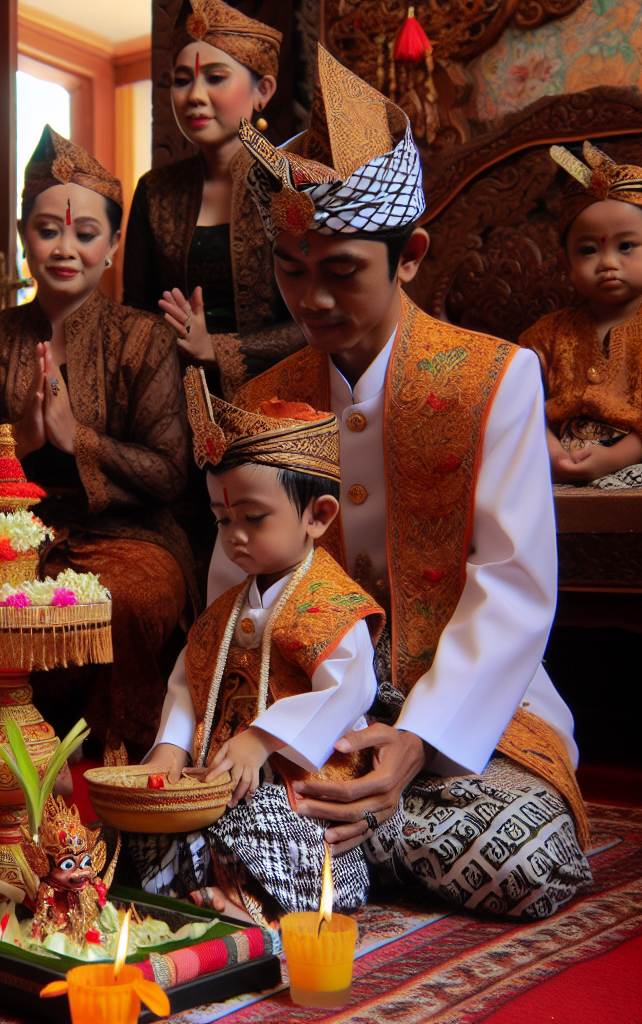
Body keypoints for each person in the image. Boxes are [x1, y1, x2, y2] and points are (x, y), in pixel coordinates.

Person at [161, 44, 591, 921]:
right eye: (291, 270)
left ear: (410, 254)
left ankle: (307, 847)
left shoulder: (494, 378)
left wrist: (416, 743)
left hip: (463, 705)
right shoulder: (265, 401)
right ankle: (320, 839)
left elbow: (511, 584)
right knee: (193, 806)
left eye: (340, 270)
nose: (311, 301)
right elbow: (238, 585)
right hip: (302, 697)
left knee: (531, 855)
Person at [0, 126, 196, 760]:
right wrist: (20, 440)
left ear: (112, 246)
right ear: (25, 236)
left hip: (126, 535)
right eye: (48, 230)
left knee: (130, 601)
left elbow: (170, 474)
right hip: (1, 537)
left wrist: (76, 438)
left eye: (86, 234)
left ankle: (113, 766)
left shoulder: (146, 340)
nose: (66, 248)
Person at [131, 368, 383, 925]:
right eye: (223, 520)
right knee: (148, 822)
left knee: (265, 823)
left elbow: (350, 688)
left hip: (302, 789)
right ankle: (199, 889)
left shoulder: (332, 603)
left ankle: (242, 898)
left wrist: (263, 740)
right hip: (222, 779)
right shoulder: (224, 609)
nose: (234, 537)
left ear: (318, 516)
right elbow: (186, 680)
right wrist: (172, 746)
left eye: (254, 517)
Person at [122, 0, 303, 401]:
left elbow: (322, 319)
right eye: (183, 80)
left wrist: (215, 348)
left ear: (263, 91)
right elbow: (135, 312)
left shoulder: (297, 186)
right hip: (173, 404)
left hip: (282, 405)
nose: (195, 96)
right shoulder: (156, 192)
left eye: (216, 78)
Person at [519, 142, 642, 489]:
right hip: (555, 459)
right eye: (589, 250)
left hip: (634, 461)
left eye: (626, 246)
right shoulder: (546, 335)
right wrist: (551, 452)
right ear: (566, 264)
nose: (608, 263)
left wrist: (615, 459)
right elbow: (518, 401)